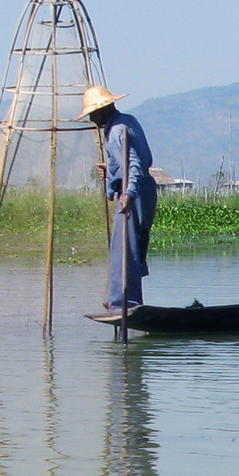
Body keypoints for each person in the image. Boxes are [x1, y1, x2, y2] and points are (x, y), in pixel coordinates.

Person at [79, 85, 157, 312]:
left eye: (93, 114)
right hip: (145, 189)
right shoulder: (127, 120)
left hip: (135, 191)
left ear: (103, 110)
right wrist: (111, 169)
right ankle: (128, 299)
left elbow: (133, 164)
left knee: (123, 250)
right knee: (133, 248)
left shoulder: (116, 131)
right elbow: (129, 161)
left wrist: (129, 194)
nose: (92, 119)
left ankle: (123, 302)